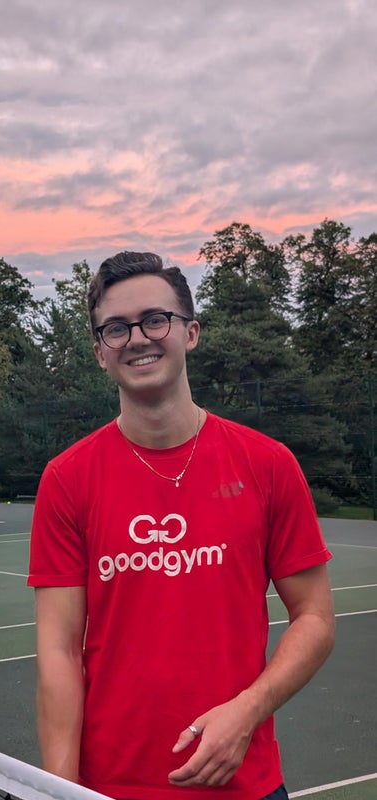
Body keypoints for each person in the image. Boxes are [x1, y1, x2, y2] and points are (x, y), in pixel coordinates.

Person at [27, 252, 335, 800]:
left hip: (246, 787)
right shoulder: (67, 479)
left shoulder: (268, 465)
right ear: (100, 352)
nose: (137, 339)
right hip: (110, 787)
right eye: (116, 328)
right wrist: (62, 791)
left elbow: (314, 617)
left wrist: (247, 711)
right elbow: (59, 652)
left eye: (155, 319)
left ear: (190, 332)